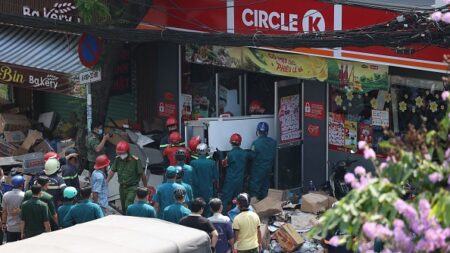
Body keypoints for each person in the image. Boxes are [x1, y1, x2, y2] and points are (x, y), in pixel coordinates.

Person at [107, 141, 147, 214]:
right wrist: (106, 182)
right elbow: (112, 172)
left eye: (122, 153)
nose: (120, 155)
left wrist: (145, 187)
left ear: (127, 152)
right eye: (119, 153)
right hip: (122, 187)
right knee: (124, 208)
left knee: (128, 205)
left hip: (132, 187)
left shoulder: (135, 161)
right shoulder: (117, 159)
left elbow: (142, 175)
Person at [220, 133, 249, 213]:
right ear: (240, 143)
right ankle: (234, 215)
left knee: (225, 198)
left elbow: (224, 164)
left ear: (231, 143)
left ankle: (223, 216)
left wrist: (221, 156)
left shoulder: (230, 154)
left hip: (230, 180)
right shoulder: (244, 153)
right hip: (239, 180)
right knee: (236, 199)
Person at [248, 122, 277, 200]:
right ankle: (264, 205)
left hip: (258, 169)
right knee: (265, 186)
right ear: (267, 132)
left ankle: (255, 206)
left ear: (257, 131)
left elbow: (251, 156)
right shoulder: (273, 142)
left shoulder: (255, 143)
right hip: (268, 169)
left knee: (255, 188)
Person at [191, 143, 218, 216]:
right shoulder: (212, 163)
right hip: (208, 190)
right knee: (207, 210)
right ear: (206, 151)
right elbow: (215, 177)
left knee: (197, 208)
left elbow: (192, 177)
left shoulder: (193, 162)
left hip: (196, 190)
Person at [2, 175, 25, 242]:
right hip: (21, 228)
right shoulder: (24, 195)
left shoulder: (6, 195)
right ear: (21, 184)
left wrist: (4, 224)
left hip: (10, 227)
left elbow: (4, 211)